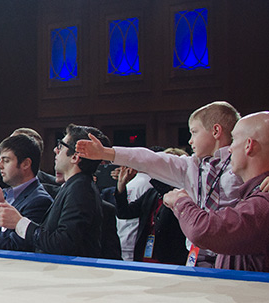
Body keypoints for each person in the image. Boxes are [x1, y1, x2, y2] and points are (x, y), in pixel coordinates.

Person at [75, 101, 243, 267]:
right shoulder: (191, 166)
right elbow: (149, 159)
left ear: (215, 131)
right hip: (196, 257)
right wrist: (107, 153)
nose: (190, 141)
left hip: (234, 256)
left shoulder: (245, 164)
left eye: (194, 132)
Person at [163, 112, 269, 271]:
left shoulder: (263, 202)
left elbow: (204, 231)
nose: (230, 149)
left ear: (249, 145)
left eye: (233, 140)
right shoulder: (255, 194)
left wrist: (181, 201)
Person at [0, 124, 108, 258]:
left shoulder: (80, 188)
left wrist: (19, 223)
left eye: (61, 146)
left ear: (75, 157)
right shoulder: (74, 185)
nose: (55, 150)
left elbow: (62, 243)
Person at [114, 167, 188, 264]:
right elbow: (124, 213)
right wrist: (121, 186)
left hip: (169, 258)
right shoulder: (152, 193)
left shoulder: (183, 196)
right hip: (144, 254)